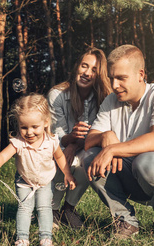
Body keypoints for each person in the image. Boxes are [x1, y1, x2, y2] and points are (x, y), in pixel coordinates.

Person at [83, 44, 154, 241]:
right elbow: (89, 141)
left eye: (121, 78)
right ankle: (125, 220)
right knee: (90, 157)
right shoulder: (110, 101)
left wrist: (113, 149)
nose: (115, 85)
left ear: (141, 75)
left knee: (147, 162)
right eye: (111, 78)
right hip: (128, 174)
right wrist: (104, 136)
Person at [0, 93, 76, 246]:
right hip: (24, 181)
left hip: (45, 181)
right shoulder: (18, 142)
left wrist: (67, 174)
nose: (29, 132)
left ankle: (46, 239)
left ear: (46, 122)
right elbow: (3, 155)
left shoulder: (51, 141)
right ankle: (22, 240)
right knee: (25, 208)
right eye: (24, 127)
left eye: (35, 127)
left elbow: (60, 157)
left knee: (44, 207)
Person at [47, 47, 112, 229]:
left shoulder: (102, 98)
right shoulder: (57, 95)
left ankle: (69, 209)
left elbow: (95, 136)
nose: (87, 73)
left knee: (91, 156)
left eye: (94, 70)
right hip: (56, 146)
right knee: (60, 155)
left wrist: (72, 145)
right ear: (77, 66)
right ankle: (53, 209)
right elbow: (55, 136)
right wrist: (69, 140)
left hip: (81, 147)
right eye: (84, 66)